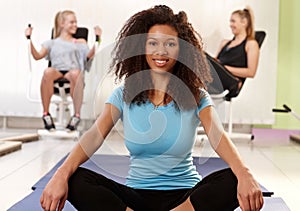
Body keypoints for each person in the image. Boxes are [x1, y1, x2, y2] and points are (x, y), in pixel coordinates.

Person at [40, 5, 263, 211]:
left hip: (185, 199)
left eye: (170, 43)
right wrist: (62, 173)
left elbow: (218, 137)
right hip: (135, 198)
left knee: (233, 179)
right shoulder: (124, 93)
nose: (161, 51)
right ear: (142, 47)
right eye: (153, 43)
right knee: (76, 179)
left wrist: (244, 173)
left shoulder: (197, 96)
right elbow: (94, 136)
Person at [25, 10, 102, 131]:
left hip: (73, 74)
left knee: (76, 73)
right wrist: (29, 39)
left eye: (76, 22)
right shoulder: (51, 43)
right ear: (62, 24)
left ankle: (76, 116)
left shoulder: (80, 42)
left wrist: (98, 40)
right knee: (48, 71)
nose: (75, 25)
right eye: (71, 22)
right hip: (57, 72)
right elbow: (37, 56)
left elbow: (89, 56)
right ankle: (46, 114)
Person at [210, 6, 260, 99]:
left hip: (232, 81)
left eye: (233, 21)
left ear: (244, 22)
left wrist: (224, 68)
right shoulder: (225, 42)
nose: (230, 24)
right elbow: (215, 61)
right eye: (230, 21)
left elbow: (251, 72)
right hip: (218, 76)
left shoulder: (251, 44)